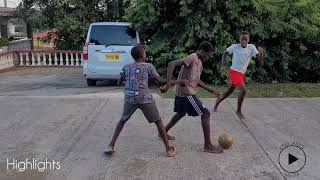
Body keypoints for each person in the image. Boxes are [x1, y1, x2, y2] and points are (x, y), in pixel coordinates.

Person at [105, 45, 178, 157]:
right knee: (158, 121)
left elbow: (119, 83)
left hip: (130, 98)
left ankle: (111, 145)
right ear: (142, 55)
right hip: (144, 98)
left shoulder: (126, 67)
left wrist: (123, 77)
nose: (145, 53)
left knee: (122, 120)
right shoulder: (149, 66)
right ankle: (168, 149)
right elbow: (159, 80)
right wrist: (170, 82)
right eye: (144, 52)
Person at [160, 41, 223, 154]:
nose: (208, 58)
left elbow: (197, 80)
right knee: (205, 114)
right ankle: (208, 145)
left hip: (182, 93)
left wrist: (211, 90)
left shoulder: (199, 63)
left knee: (181, 113)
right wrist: (168, 84)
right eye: (207, 55)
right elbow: (171, 64)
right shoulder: (193, 57)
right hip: (186, 94)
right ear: (202, 51)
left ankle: (163, 132)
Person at [214, 31, 264, 119]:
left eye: (246, 39)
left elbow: (259, 61)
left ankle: (218, 101)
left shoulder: (251, 47)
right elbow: (225, 53)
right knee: (243, 90)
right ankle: (238, 111)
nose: (244, 41)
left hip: (242, 73)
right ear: (239, 39)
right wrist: (223, 64)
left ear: (248, 39)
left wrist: (261, 53)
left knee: (230, 91)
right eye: (242, 39)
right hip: (234, 72)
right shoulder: (235, 47)